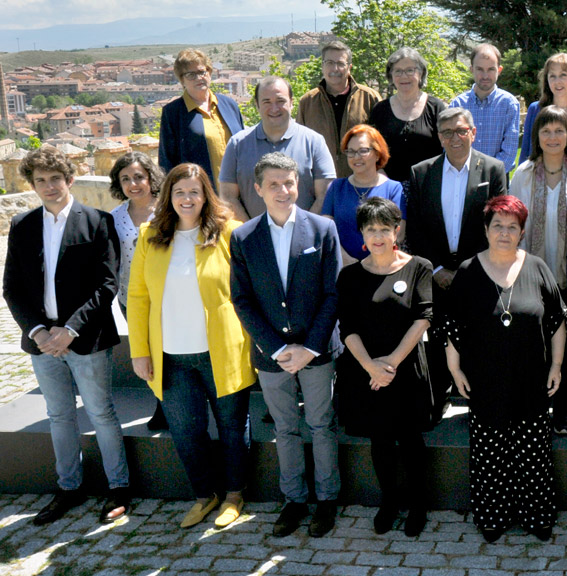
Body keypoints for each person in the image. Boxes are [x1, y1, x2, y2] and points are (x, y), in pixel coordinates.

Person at [4, 146, 130, 526]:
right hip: (42, 342)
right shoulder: (22, 225)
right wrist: (39, 331)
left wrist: (70, 329)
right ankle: (69, 489)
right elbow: (12, 288)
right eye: (40, 180)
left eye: (55, 178)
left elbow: (107, 284)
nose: (49, 186)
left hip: (86, 338)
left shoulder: (97, 221)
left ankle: (119, 488)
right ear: (32, 185)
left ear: (70, 179)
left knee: (101, 413)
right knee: (58, 416)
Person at [127, 163, 256, 530]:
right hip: (171, 358)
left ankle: (234, 495)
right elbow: (137, 297)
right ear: (168, 196)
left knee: (232, 428)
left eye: (194, 192)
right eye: (179, 192)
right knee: (186, 433)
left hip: (222, 352)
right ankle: (204, 495)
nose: (187, 198)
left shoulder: (229, 232)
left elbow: (247, 290)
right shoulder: (150, 235)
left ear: (206, 196)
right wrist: (139, 351)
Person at [229, 153, 343, 538]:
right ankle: (294, 500)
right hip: (271, 354)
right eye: (273, 184)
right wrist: (276, 349)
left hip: (316, 350)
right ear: (258, 189)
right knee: (285, 427)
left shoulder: (322, 229)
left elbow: (333, 293)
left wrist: (310, 347)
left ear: (299, 185)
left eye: (289, 183)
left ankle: (327, 500)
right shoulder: (243, 237)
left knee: (321, 425)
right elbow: (242, 299)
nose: (283, 190)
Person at [445, 195, 567, 543]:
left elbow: (557, 321)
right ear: (486, 229)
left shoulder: (537, 267)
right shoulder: (468, 272)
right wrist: (455, 370)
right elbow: (452, 326)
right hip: (485, 381)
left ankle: (536, 515)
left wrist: (556, 364)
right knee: (490, 454)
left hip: (531, 380)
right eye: (497, 225)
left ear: (522, 232)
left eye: (512, 227)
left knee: (533, 454)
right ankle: (493, 516)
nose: (504, 232)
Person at [337, 198, 434, 536]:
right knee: (379, 440)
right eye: (370, 229)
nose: (377, 236)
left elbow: (424, 318)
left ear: (397, 230)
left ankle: (419, 505)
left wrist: (389, 364)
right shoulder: (350, 276)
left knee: (410, 440)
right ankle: (389, 502)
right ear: (361, 234)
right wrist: (370, 367)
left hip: (404, 369)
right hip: (367, 374)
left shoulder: (419, 267)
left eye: (384, 229)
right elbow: (347, 328)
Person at [405, 107, 507, 422]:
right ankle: (439, 400)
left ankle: (479, 403)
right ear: (439, 137)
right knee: (437, 337)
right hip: (435, 272)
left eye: (461, 130)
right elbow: (415, 229)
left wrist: (467, 271)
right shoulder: (421, 172)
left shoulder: (493, 169)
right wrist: (436, 269)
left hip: (478, 269)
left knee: (479, 338)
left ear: (473, 133)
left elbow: (498, 223)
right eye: (447, 132)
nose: (455, 138)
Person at [510, 105, 567, 435]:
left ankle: (561, 412)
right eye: (545, 131)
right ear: (536, 136)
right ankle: (535, 411)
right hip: (531, 276)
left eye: (559, 130)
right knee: (534, 346)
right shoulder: (522, 174)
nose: (552, 137)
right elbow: (513, 224)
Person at [109, 151, 170, 431]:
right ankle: (161, 403)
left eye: (138, 177)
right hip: (130, 299)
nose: (133, 184)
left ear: (150, 178)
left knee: (168, 353)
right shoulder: (113, 218)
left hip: (167, 297)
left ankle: (170, 406)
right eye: (125, 179)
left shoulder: (169, 211)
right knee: (146, 352)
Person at [220, 76, 336, 221]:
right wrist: (251, 231)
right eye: (267, 102)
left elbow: (325, 195)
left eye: (280, 101)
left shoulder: (314, 142)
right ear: (257, 105)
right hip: (252, 234)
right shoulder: (237, 144)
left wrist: (302, 229)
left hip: (305, 234)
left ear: (292, 102)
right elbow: (228, 196)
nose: (274, 108)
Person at [158, 48, 245, 189]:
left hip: (238, 193)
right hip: (200, 194)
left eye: (202, 72)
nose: (199, 78)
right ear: (182, 79)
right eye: (191, 75)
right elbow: (167, 162)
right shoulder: (173, 113)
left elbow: (244, 147)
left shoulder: (229, 105)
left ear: (209, 72)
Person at [297, 40, 383, 179]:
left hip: (362, 181)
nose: (335, 69)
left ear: (349, 67)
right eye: (330, 63)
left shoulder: (370, 98)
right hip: (321, 182)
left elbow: (381, 144)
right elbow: (300, 145)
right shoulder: (307, 102)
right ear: (322, 66)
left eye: (340, 63)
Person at [321, 124, 405, 266]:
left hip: (381, 266)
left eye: (363, 151)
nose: (356, 157)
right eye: (351, 151)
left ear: (377, 154)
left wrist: (371, 262)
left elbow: (399, 233)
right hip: (342, 266)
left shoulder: (393, 188)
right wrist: (345, 259)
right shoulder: (336, 187)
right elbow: (325, 230)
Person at [370, 48, 446, 183]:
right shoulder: (380, 110)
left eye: (410, 70)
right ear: (391, 75)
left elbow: (447, 149)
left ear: (421, 73)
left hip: (429, 186)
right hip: (388, 187)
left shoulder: (436, 108)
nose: (404, 76)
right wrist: (382, 178)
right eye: (398, 71)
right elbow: (370, 149)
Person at [449, 44, 520, 173]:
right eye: (480, 69)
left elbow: (509, 152)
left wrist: (487, 174)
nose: (485, 75)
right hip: (463, 176)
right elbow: (450, 146)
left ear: (499, 70)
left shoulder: (509, 104)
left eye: (491, 69)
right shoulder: (457, 105)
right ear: (472, 69)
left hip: (497, 178)